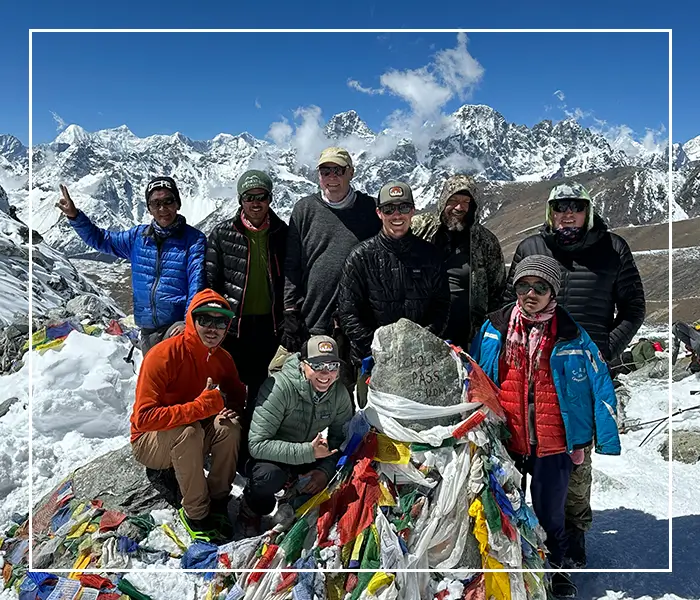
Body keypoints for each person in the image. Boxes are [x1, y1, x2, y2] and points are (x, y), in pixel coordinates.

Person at [505, 181, 644, 567]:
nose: (568, 214)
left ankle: (573, 532)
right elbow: (508, 302)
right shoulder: (531, 249)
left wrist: (603, 351)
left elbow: (633, 308)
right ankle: (520, 529)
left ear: (588, 211)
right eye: (560, 207)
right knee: (522, 452)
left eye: (576, 207)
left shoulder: (612, 248)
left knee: (576, 458)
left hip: (581, 374)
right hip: (530, 372)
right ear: (550, 212)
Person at [472, 255, 620, 596]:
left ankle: (556, 569)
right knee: (504, 507)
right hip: (506, 439)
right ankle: (513, 569)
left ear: (553, 291)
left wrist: (598, 438)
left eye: (540, 286)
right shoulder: (494, 329)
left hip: (553, 443)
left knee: (550, 512)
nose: (530, 293)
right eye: (524, 285)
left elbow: (599, 387)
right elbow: (476, 376)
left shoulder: (573, 336)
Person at [130, 289, 246, 541]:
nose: (213, 328)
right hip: (150, 441)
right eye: (205, 319)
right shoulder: (162, 355)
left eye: (221, 321)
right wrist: (201, 407)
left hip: (194, 433)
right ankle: (196, 513)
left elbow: (237, 395)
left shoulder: (223, 359)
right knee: (189, 432)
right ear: (192, 321)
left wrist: (230, 407)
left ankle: (218, 500)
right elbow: (144, 418)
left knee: (229, 426)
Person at [57, 178, 206, 355]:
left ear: (178, 204)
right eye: (155, 203)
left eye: (168, 201)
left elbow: (197, 284)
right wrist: (75, 216)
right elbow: (102, 239)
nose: (162, 209)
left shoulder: (194, 240)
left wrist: (188, 323)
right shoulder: (138, 237)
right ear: (149, 208)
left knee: (174, 377)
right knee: (153, 380)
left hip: (176, 327)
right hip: (147, 329)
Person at [337, 181, 451, 406]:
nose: (396, 215)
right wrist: (379, 348)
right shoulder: (360, 257)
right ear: (379, 213)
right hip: (373, 361)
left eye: (403, 208)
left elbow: (441, 306)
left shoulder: (430, 256)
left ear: (413, 210)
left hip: (420, 363)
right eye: (389, 209)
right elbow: (348, 312)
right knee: (374, 431)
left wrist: (419, 343)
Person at [281, 147, 381, 390]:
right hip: (313, 314)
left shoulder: (370, 210)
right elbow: (292, 264)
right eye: (326, 171)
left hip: (356, 320)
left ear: (351, 173)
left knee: (348, 387)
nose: (332, 177)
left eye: (338, 170)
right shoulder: (304, 210)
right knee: (310, 385)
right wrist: (290, 308)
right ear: (318, 175)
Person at [241, 335, 353, 534]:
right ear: (303, 365)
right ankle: (252, 507)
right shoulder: (279, 387)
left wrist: (324, 471)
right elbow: (257, 445)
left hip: (307, 453)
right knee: (268, 477)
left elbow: (341, 439)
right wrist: (308, 452)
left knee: (339, 474)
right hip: (268, 456)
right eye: (317, 366)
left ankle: (293, 500)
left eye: (333, 366)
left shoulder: (339, 394)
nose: (326, 373)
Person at [205, 169, 287, 420]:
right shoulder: (222, 233)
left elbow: (291, 278)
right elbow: (210, 281)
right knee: (233, 386)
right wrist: (214, 320)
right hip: (234, 326)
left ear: (270, 198)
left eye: (261, 196)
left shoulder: (282, 233)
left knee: (263, 388)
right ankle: (232, 442)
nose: (255, 203)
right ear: (240, 200)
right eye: (249, 197)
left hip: (269, 325)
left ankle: (255, 442)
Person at [412, 174, 506, 349]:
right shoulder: (419, 229)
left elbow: (497, 291)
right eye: (453, 200)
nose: (459, 207)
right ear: (443, 201)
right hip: (421, 334)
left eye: (466, 202)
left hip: (469, 338)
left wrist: (489, 332)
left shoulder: (485, 241)